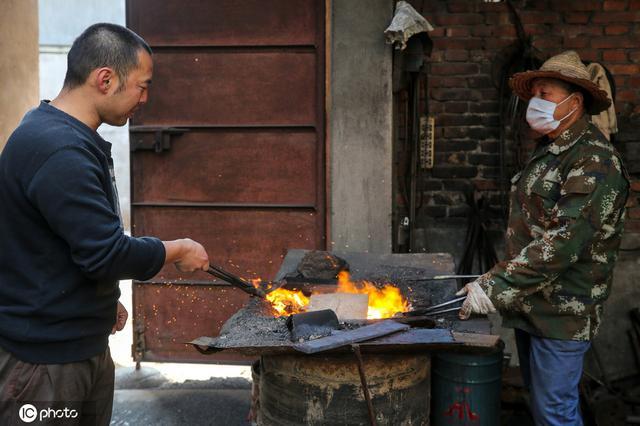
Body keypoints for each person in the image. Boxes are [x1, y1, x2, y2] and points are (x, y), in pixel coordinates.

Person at [0, 23, 210, 425]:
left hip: (74, 348)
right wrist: (178, 249)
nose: (145, 99)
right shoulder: (59, 149)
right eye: (142, 86)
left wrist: (96, 303)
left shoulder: (60, 135)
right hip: (46, 366)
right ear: (105, 79)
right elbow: (105, 253)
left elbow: (61, 243)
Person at [456, 50, 629, 425]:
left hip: (563, 313)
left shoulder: (594, 160)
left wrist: (494, 287)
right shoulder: (548, 152)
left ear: (575, 101)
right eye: (533, 94)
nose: (534, 103)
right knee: (544, 407)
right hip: (534, 305)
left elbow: (562, 243)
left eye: (545, 94)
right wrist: (498, 284)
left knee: (555, 412)